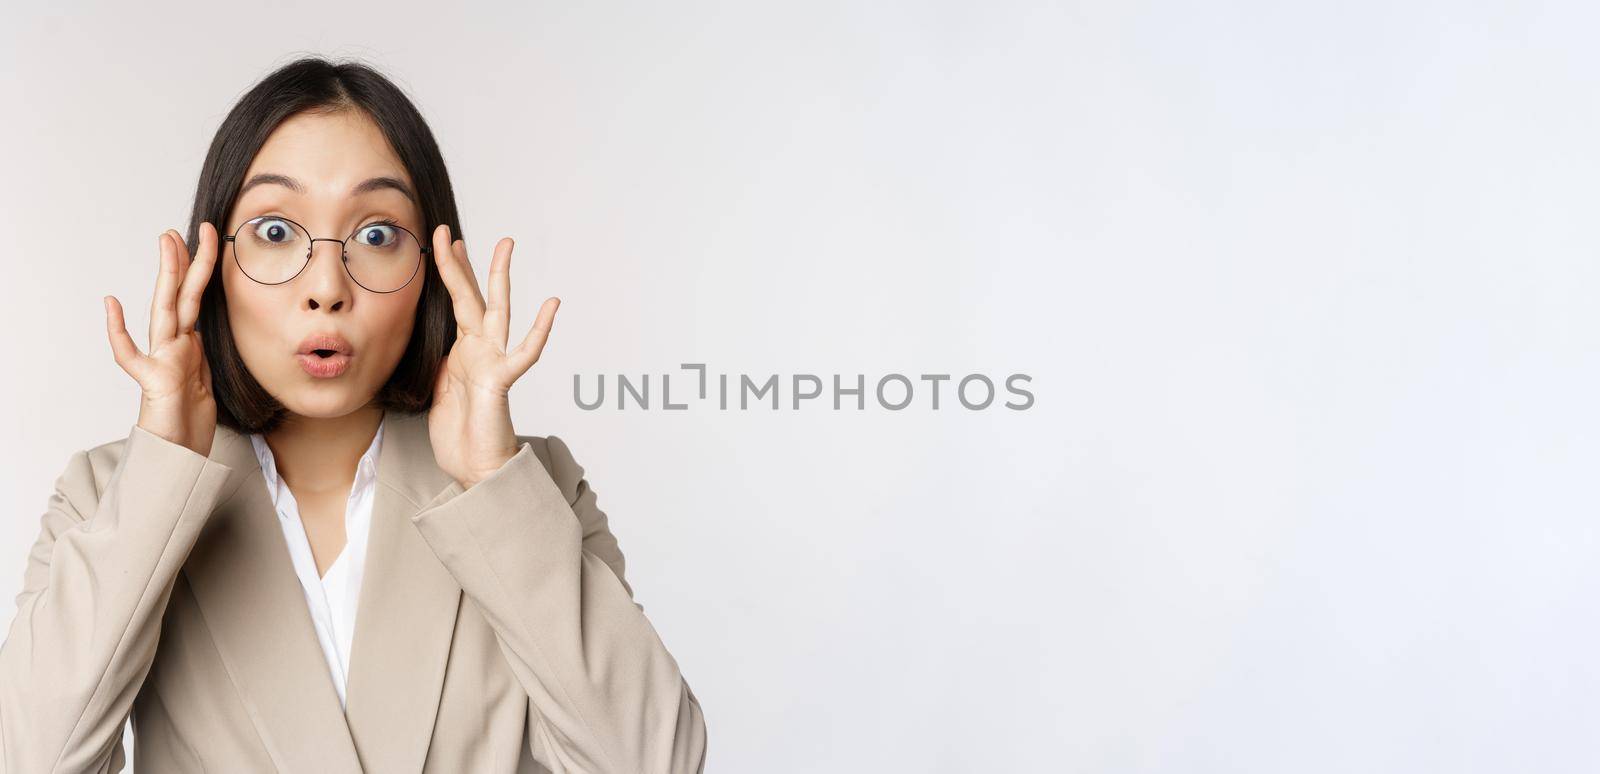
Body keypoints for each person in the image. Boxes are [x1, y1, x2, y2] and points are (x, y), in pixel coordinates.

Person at [0, 57, 707, 773]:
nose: (327, 288)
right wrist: (161, 475)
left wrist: (491, 480)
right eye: (276, 231)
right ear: (209, 264)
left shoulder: (530, 487)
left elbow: (653, 761)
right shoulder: (110, 494)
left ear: (432, 267)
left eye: (376, 235)